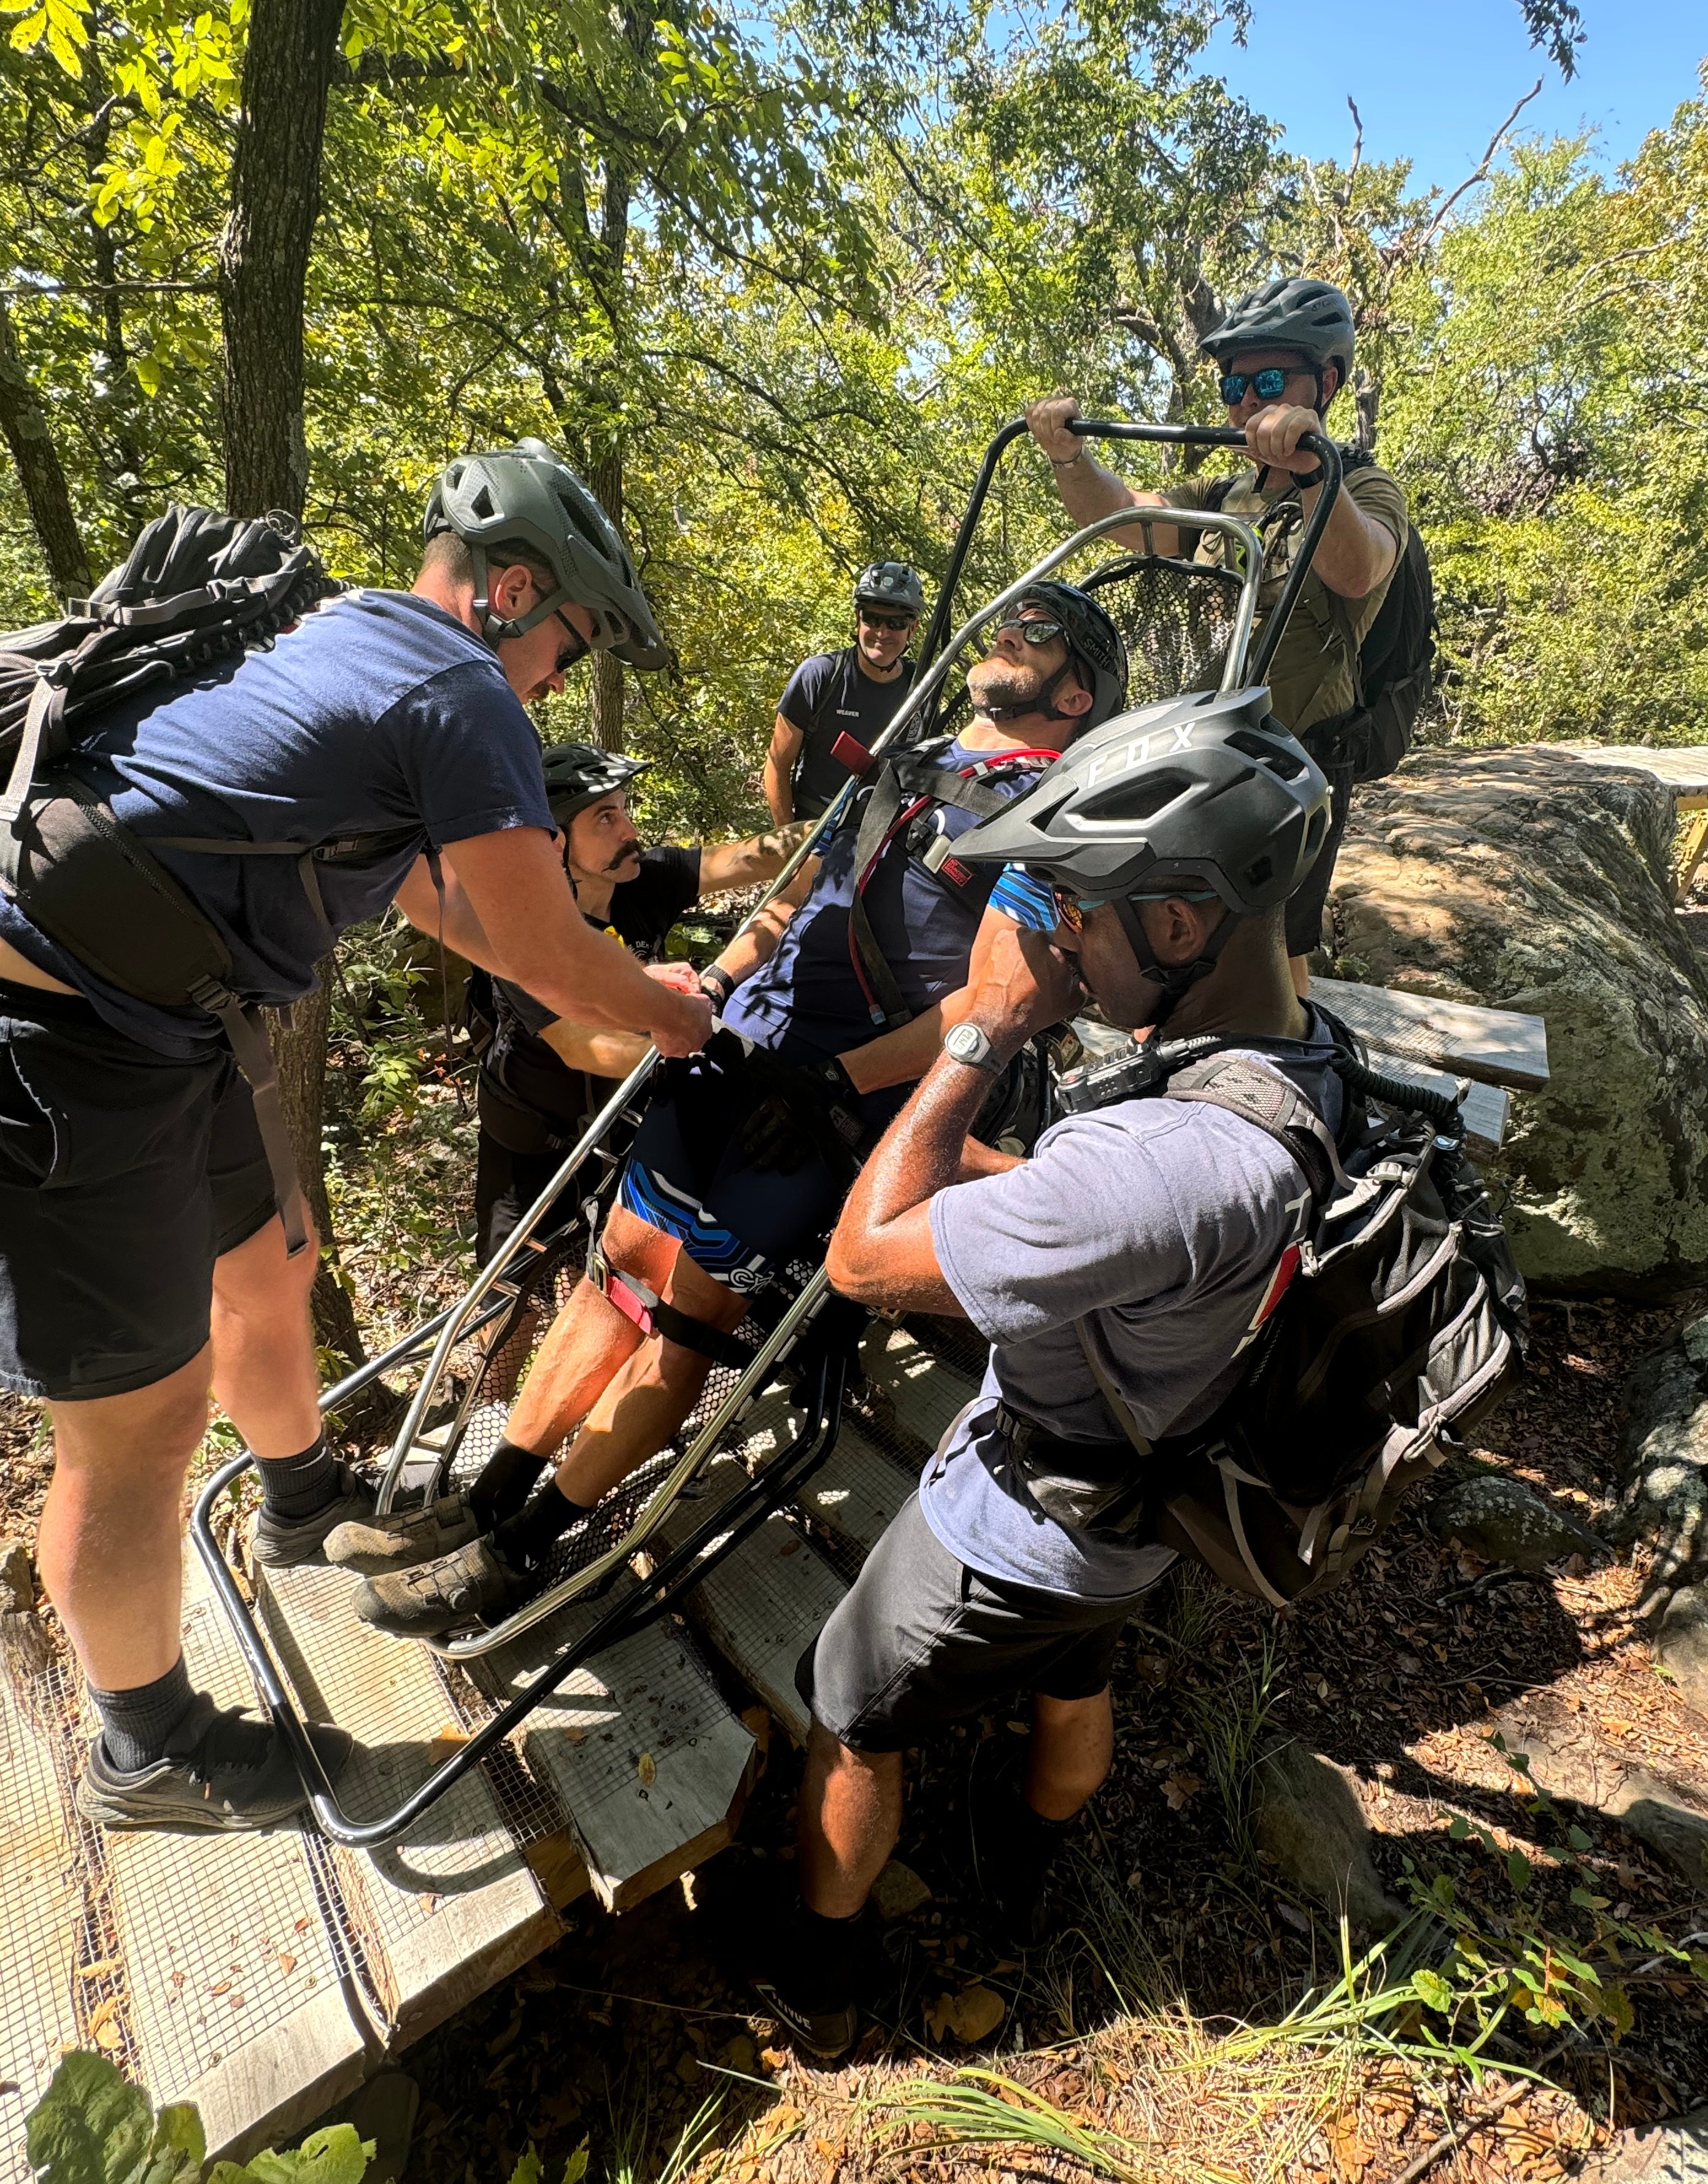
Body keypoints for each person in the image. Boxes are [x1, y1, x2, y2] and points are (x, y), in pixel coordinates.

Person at [0, 439, 713, 1835]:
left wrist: (602, 984)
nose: (560, 676)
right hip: (58, 1036)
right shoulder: (459, 688)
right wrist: (670, 1012)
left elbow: (445, 902)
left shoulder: (346, 637)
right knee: (137, 1424)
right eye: (570, 642)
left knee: (269, 1264)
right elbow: (548, 951)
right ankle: (145, 1749)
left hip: (176, 1017)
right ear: (513, 588)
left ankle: (300, 1497)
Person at [338, 584, 1130, 1638]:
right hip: (736, 1049)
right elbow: (799, 888)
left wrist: (835, 1083)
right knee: (619, 1263)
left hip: (828, 1105)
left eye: (1039, 633)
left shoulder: (1046, 821)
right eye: (1013, 618)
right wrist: (712, 984)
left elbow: (989, 1003)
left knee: (687, 1317)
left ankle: (520, 1549)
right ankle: (486, 1499)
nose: (1009, 631)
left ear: (1073, 694)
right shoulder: (916, 756)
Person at [754, 683, 1342, 2056]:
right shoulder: (1296, 1058)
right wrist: (991, 1180)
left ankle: (820, 1987)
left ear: (1182, 921)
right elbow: (1104, 1214)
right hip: (1146, 1495)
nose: (1060, 936)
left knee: (848, 1711)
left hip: (1019, 1526)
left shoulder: (1162, 1163)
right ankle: (1021, 1876)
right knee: (1075, 1671)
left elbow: (862, 1259)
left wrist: (982, 1028)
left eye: (1082, 906)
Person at [1026, 276, 1407, 993]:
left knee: (1273, 954)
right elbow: (1120, 514)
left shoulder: (1362, 487)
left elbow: (1361, 570)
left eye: (1270, 381)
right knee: (1175, 937)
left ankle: (1289, 1054)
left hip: (1295, 768)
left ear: (1326, 383)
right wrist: (1069, 457)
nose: (1249, 401)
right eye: (1235, 386)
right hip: (1201, 757)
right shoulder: (1220, 497)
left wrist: (1312, 471)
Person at [465, 741, 811, 1271]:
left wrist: (841, 822)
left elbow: (748, 856)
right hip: (532, 1140)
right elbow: (584, 1047)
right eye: (605, 819)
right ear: (555, 842)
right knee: (511, 1290)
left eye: (625, 810)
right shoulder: (522, 931)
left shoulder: (644, 879)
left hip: (623, 1122)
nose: (629, 831)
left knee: (619, 1269)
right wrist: (704, 1053)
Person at [762, 561, 926, 826]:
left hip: (884, 832)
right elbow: (777, 765)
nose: (882, 632)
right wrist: (788, 835)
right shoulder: (820, 675)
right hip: (815, 827)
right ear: (858, 619)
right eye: (872, 618)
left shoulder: (920, 687)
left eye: (896, 622)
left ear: (912, 628)